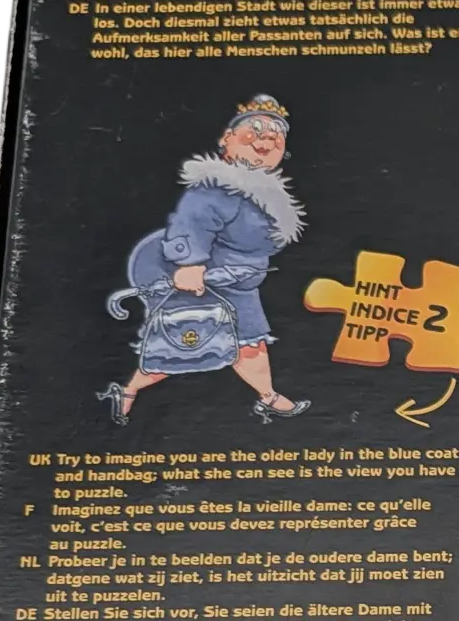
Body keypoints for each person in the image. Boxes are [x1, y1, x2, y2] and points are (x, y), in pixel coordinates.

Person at [98, 95, 310, 425]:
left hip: (239, 284)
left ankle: (267, 397)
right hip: (208, 283)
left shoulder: (265, 192)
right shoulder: (216, 187)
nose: (266, 140)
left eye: (275, 136)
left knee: (251, 344)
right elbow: (191, 223)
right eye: (254, 131)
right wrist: (190, 264)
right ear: (227, 139)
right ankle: (129, 391)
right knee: (178, 348)